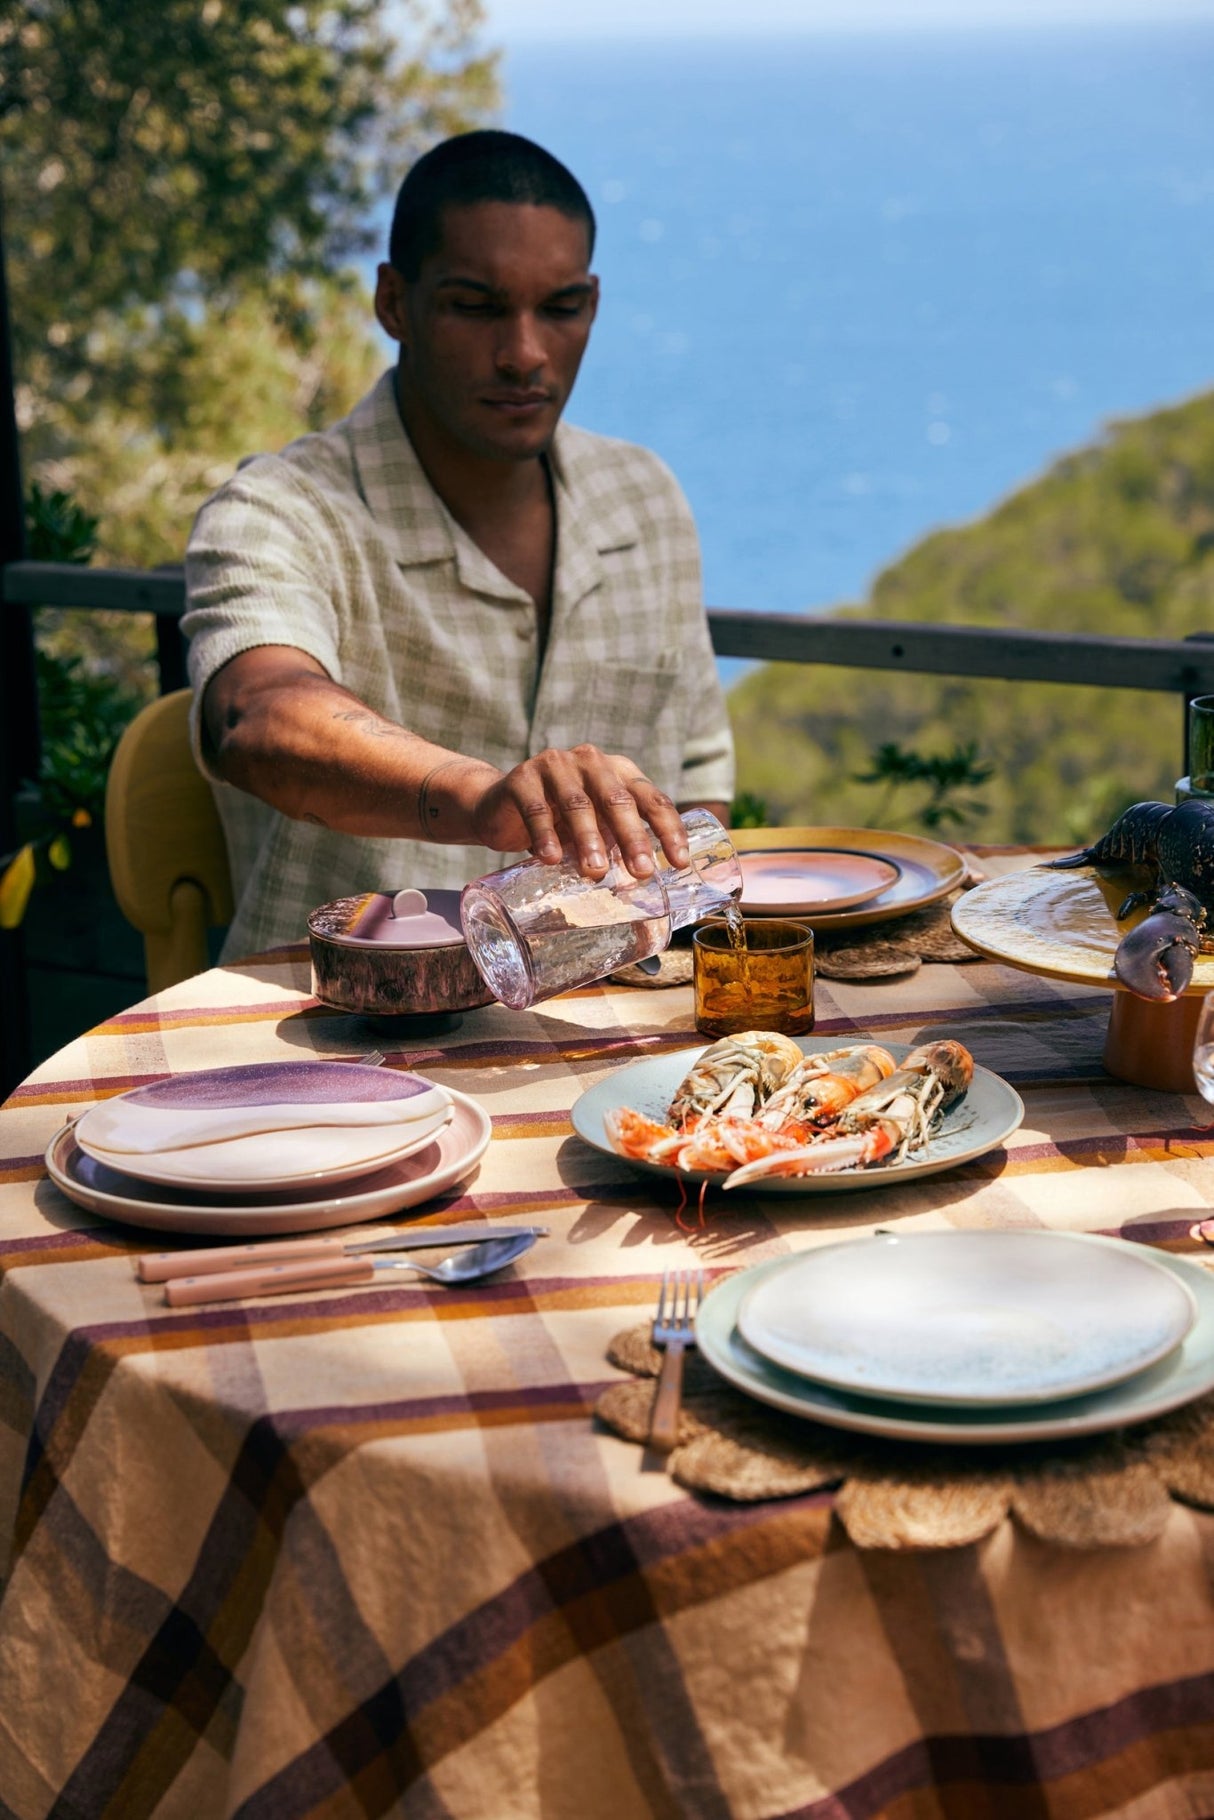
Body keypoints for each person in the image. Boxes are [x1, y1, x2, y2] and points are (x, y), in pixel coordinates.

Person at [183, 130, 735, 959]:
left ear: (593, 300)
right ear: (394, 303)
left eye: (561, 308)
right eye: (475, 307)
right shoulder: (279, 509)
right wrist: (481, 801)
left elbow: (697, 797)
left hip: (604, 1029)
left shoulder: (644, 497)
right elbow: (256, 716)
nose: (524, 354)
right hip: (333, 1030)